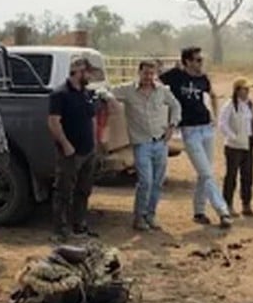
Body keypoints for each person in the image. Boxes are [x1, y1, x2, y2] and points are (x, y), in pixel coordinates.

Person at [161, 46, 232, 228]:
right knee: (206, 172)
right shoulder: (175, 76)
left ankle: (199, 211)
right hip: (189, 130)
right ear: (187, 61)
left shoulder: (203, 78)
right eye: (198, 60)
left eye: (202, 60)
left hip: (206, 128)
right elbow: (154, 81)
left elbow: (212, 95)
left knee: (204, 172)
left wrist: (215, 115)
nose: (201, 63)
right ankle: (222, 210)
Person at [110, 60, 181, 231]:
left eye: (151, 73)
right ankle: (139, 216)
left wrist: (172, 126)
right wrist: (110, 100)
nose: (148, 77)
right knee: (145, 181)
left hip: (160, 142)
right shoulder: (128, 90)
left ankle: (151, 215)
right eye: (145, 73)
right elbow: (105, 91)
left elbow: (176, 106)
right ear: (139, 72)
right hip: (141, 143)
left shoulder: (162, 91)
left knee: (157, 181)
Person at [46, 57, 102, 241]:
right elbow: (53, 122)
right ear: (78, 71)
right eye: (88, 72)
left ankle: (79, 225)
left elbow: (92, 119)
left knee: (83, 190)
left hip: (88, 150)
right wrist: (65, 144)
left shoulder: (86, 93)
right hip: (70, 152)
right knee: (64, 191)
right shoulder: (60, 94)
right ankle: (60, 231)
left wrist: (95, 142)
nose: (90, 76)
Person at [219, 77, 253, 217]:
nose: (247, 92)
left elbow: (252, 123)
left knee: (247, 175)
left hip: (248, 143)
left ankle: (246, 205)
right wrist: (233, 136)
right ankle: (227, 204)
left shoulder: (249, 104)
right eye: (245, 89)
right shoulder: (230, 105)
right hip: (234, 146)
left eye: (248, 89)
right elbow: (222, 124)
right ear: (237, 90)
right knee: (231, 176)